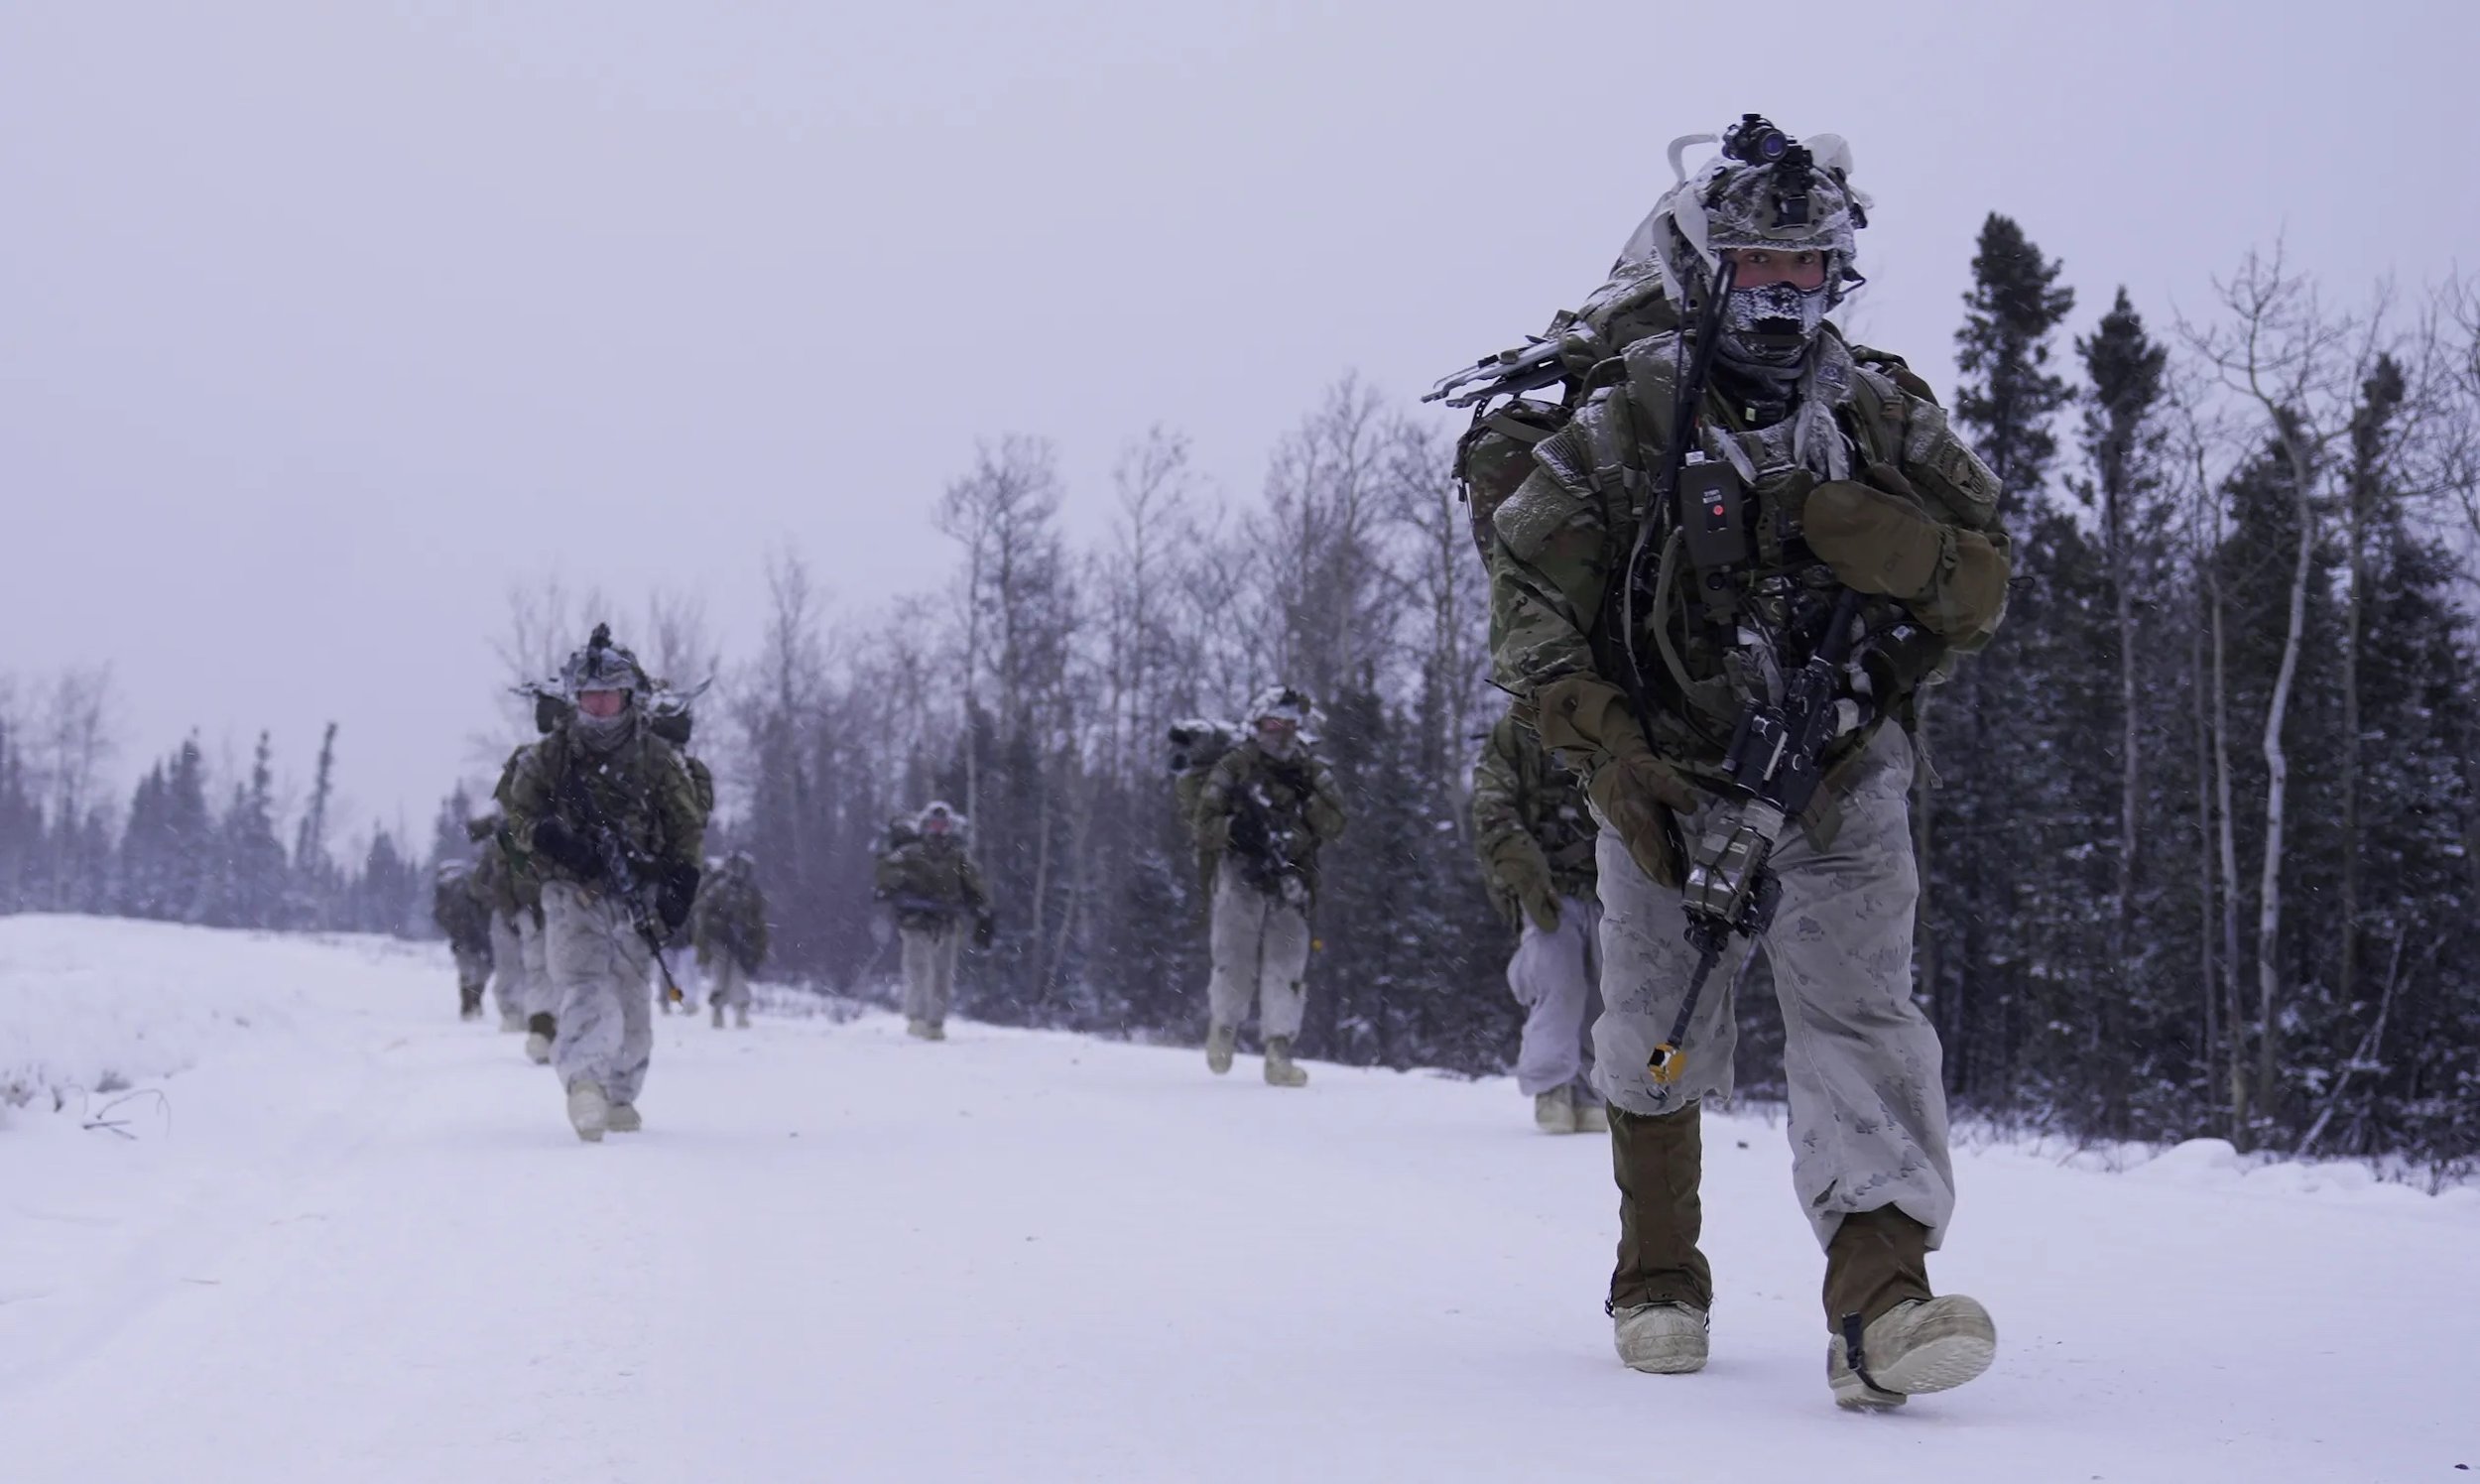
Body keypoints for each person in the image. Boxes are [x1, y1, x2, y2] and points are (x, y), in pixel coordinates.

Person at [1478, 117, 2010, 1406]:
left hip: (1838, 777)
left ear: (1836, 278)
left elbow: (1981, 575)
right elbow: (1529, 607)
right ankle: (1659, 1276)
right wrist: (1608, 753)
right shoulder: (1626, 419)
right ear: (1711, 265)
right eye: (1758, 268)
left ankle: (1882, 1300)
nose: (1781, 296)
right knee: (1654, 1019)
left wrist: (1867, 534)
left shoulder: (1879, 413)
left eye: (1805, 271)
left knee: (1861, 1019)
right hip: (1659, 778)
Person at [501, 625, 708, 1142]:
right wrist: (553, 838)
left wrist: (682, 884)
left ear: (628, 698)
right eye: (589, 699)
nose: (598, 709)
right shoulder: (548, 757)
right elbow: (517, 819)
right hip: (572, 891)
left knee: (633, 996)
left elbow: (686, 827)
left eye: (608, 697)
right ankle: (585, 1085)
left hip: (638, 893)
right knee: (586, 985)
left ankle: (620, 1093)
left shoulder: (657, 759)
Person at [1189, 685, 1346, 1088]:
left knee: (1286, 966)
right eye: (1274, 723)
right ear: (1258, 724)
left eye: (1290, 724)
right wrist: (1237, 829)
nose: (1283, 732)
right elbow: (1202, 823)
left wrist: (1301, 819)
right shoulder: (1235, 766)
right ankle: (1224, 1029)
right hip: (1240, 873)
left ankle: (1279, 1050)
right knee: (1233, 958)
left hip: (1292, 877)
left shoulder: (1311, 770)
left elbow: (1337, 819)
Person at [1470, 703, 1603, 1134]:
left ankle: (1594, 1090)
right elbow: (1492, 804)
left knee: (1611, 988)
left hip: (1612, 884)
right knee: (1558, 979)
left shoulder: (1613, 716)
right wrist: (1524, 869)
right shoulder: (1518, 733)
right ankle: (1553, 1088)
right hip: (1544, 884)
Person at [872, 801, 990, 1041]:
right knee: (917, 969)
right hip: (915, 921)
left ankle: (936, 1022)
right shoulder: (910, 852)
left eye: (943, 825)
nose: (939, 830)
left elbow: (975, 883)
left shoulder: (958, 856)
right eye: (934, 825)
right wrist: (899, 883)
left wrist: (981, 909)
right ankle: (916, 1017)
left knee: (943, 974)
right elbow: (886, 873)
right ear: (925, 826)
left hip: (946, 922)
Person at [691, 850, 769, 1029]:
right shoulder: (719, 888)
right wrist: (716, 926)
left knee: (738, 979)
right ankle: (717, 1012)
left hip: (742, 943)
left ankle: (741, 1013)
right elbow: (703, 911)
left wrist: (755, 942)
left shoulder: (751, 892)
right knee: (719, 978)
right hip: (719, 940)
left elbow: (759, 920)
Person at [430, 860, 495, 1021]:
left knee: (468, 968)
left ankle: (469, 1002)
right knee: (482, 967)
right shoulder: (469, 883)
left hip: (464, 934)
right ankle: (473, 1001)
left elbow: (440, 915)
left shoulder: (446, 891)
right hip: (478, 933)